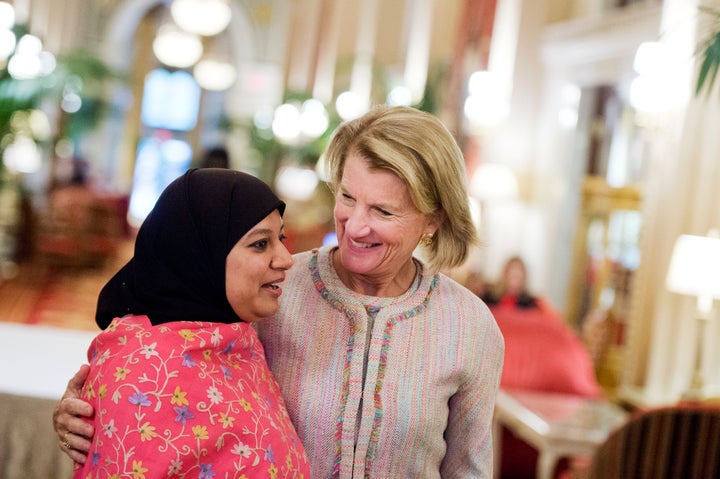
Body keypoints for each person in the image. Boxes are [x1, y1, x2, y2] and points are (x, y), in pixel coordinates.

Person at [54, 105, 505, 477]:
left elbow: (469, 469)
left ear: (434, 219)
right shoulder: (273, 286)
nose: (355, 224)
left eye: (384, 210)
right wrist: (87, 410)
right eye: (347, 197)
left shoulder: (469, 326)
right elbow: (168, 366)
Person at [66, 168, 310, 478]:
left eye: (282, 238)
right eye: (261, 244)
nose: (286, 259)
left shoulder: (234, 341)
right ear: (201, 253)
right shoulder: (145, 374)